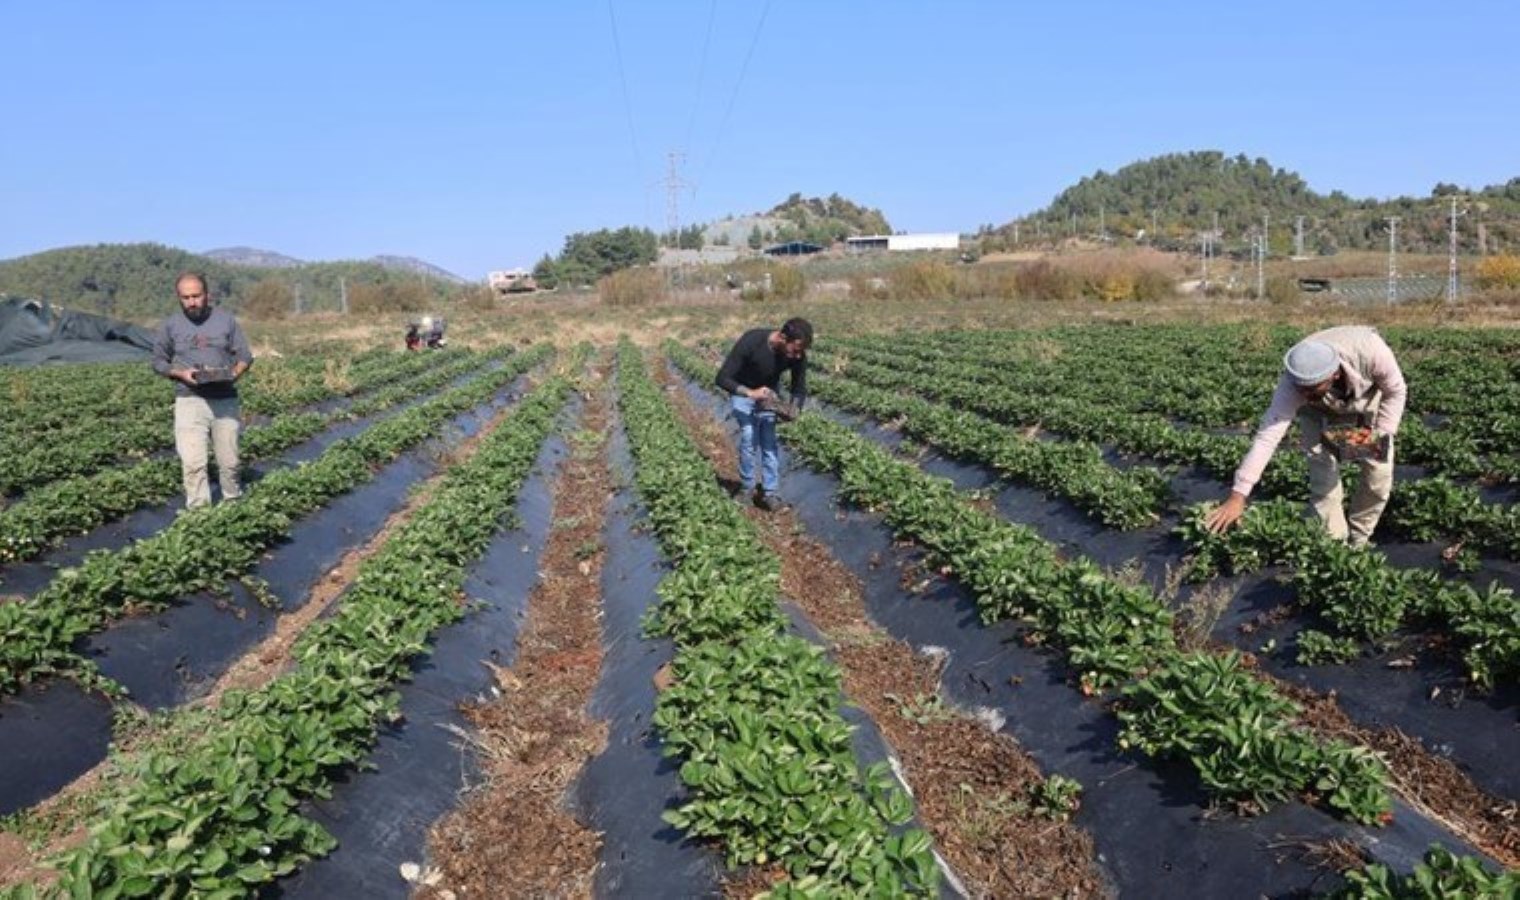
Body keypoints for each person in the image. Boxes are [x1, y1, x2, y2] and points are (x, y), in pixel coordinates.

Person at [1204, 325, 1406, 547]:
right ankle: (1334, 546)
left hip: (1367, 401)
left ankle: (1359, 538)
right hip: (1318, 413)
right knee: (1323, 478)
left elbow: (1395, 390)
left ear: (1334, 374)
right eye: (1301, 389)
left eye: (1311, 389)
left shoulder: (1372, 352)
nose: (1303, 395)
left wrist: (1380, 435)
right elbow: (1267, 438)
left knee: (1378, 476)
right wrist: (1237, 496)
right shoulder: (1294, 385)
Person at [151, 272, 253, 509]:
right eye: (185, 297)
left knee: (229, 462)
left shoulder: (225, 321)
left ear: (207, 295)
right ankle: (199, 514)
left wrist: (234, 373)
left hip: (224, 398)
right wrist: (180, 373)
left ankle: (233, 504)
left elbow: (245, 355)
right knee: (193, 463)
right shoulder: (171, 325)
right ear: (179, 298)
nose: (191, 302)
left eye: (196, 296)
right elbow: (157, 361)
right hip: (190, 399)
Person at [716, 317, 812, 511]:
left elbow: (798, 389)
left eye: (801, 351)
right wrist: (751, 393)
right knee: (750, 436)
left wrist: (794, 409)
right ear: (783, 337)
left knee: (769, 441)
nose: (797, 355)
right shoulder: (752, 341)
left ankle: (770, 493)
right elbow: (722, 378)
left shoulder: (798, 356)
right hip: (743, 392)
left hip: (768, 396)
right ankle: (747, 488)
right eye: (795, 349)